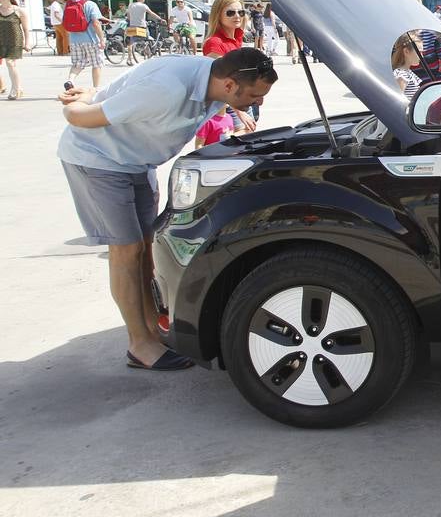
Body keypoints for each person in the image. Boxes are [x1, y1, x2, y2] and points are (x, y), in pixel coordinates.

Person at [57, 48, 278, 371]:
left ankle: (152, 327)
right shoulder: (167, 89)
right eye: (255, 95)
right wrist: (77, 102)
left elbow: (120, 91)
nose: (259, 102)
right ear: (229, 85)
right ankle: (139, 345)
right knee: (126, 250)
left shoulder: (216, 80)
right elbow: (82, 118)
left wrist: (95, 92)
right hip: (98, 159)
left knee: (146, 246)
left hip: (138, 161)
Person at [202, 0, 257, 132]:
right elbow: (221, 81)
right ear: (218, 15)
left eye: (241, 12)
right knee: (237, 146)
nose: (237, 16)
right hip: (228, 107)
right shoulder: (214, 43)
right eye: (230, 12)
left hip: (241, 101)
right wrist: (239, 111)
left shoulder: (236, 38)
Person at [64, 0, 107, 88]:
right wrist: (101, 39)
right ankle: (96, 88)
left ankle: (70, 80)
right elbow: (96, 23)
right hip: (90, 39)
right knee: (97, 64)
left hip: (74, 39)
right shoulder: (90, 4)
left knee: (77, 63)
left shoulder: (68, 4)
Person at [0, 0, 32, 99]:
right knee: (8, 64)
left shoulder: (19, 11)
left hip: (15, 40)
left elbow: (25, 29)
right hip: (1, 41)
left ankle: (16, 89)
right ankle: (17, 88)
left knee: (10, 63)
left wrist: (27, 43)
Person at [123, 0, 165, 65]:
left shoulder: (131, 5)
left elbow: (128, 16)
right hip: (142, 27)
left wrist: (133, 21)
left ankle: (129, 59)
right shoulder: (144, 6)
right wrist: (160, 19)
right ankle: (148, 53)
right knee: (147, 39)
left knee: (130, 42)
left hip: (132, 26)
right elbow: (151, 13)